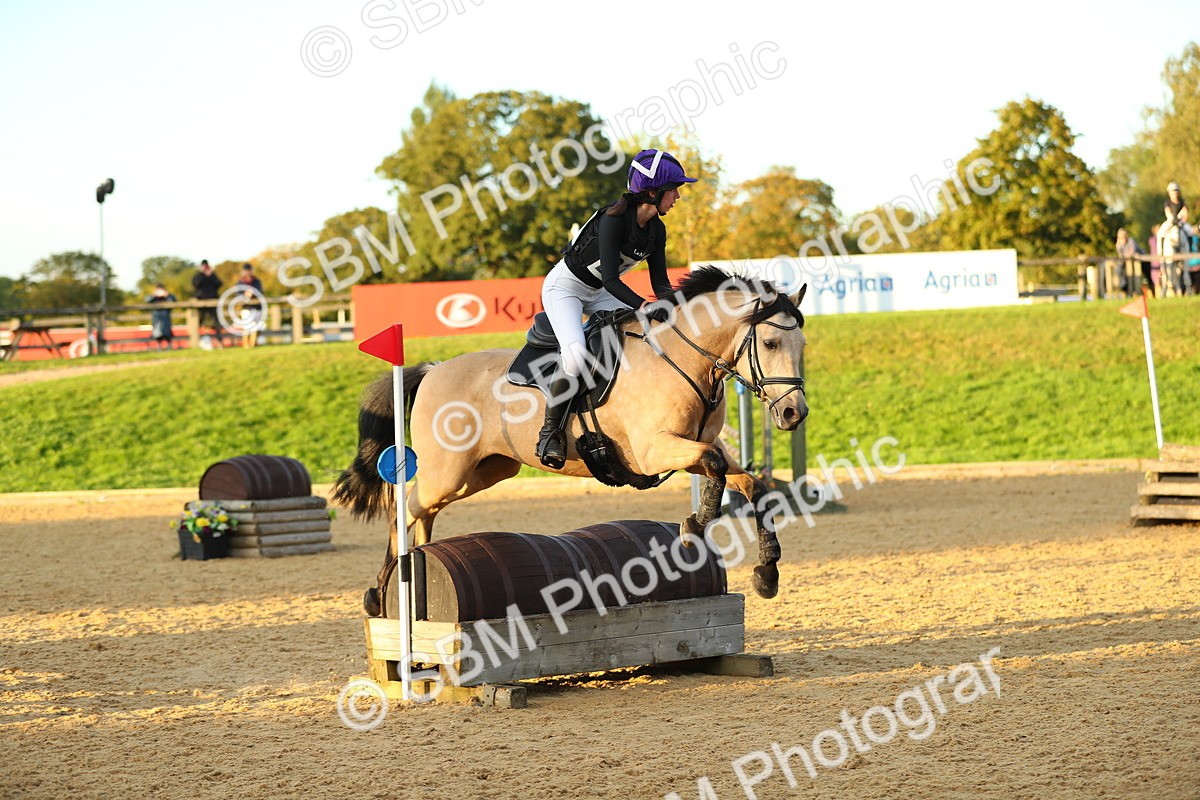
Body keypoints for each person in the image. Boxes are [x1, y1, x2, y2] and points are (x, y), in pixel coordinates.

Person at [535, 148, 697, 468]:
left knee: (646, 335)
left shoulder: (656, 230)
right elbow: (611, 280)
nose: (678, 195)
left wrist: (675, 307)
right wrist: (644, 306)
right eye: (674, 188)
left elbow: (660, 283)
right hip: (566, 289)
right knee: (576, 354)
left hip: (599, 292)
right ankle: (549, 432)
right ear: (653, 192)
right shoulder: (613, 220)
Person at [1158, 181, 1190, 296]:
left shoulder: (1182, 202)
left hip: (1180, 222)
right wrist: (1173, 219)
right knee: (1161, 232)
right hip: (1171, 221)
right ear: (1169, 193)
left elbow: (1185, 213)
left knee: (1189, 231)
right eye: (1172, 191)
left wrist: (1182, 219)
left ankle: (1189, 251)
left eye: (1176, 191)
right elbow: (1168, 213)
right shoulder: (1167, 202)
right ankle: (1160, 252)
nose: (1174, 193)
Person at [192, 260, 223, 344]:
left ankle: (219, 340)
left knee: (216, 322)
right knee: (198, 321)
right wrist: (204, 275)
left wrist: (211, 275)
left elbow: (219, 284)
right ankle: (195, 340)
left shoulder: (212, 275)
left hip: (212, 301)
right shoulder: (198, 276)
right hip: (201, 301)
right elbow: (196, 284)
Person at [236, 263, 264, 348]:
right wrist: (245, 294)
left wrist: (253, 293)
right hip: (246, 307)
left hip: (256, 307)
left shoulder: (256, 281)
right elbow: (238, 294)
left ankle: (252, 343)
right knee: (246, 326)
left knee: (255, 326)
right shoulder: (240, 282)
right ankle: (246, 344)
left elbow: (260, 292)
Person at [146, 283, 176, 350]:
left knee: (167, 332)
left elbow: (173, 300)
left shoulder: (168, 297)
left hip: (166, 317)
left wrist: (167, 295)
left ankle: (169, 346)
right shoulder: (153, 297)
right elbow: (148, 300)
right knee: (157, 333)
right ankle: (159, 347)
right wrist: (154, 295)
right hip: (157, 317)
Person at [1115, 228, 1141, 297]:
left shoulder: (1131, 241)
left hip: (1136, 262)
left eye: (1124, 236)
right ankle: (1124, 287)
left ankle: (1134, 291)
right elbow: (1120, 255)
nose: (1123, 239)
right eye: (1121, 237)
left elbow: (1132, 252)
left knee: (1133, 274)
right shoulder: (1118, 244)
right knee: (1119, 270)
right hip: (1125, 263)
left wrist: (1127, 255)